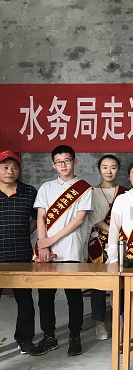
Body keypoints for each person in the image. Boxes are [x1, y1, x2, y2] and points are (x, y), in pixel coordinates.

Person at [33, 144, 93, 356]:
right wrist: (43, 243)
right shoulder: (46, 187)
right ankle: (49, 337)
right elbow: (41, 216)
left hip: (71, 249)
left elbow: (79, 220)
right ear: (53, 165)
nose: (63, 165)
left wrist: (51, 240)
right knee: (45, 297)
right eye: (59, 162)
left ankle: (75, 336)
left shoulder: (84, 188)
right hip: (46, 250)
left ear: (74, 161)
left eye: (67, 160)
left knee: (73, 296)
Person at [0, 150, 39, 355]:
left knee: (25, 301)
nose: (10, 171)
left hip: (21, 253)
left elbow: (37, 217)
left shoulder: (29, 191)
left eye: (14, 167)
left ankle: (24, 340)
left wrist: (25, 231)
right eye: (5, 167)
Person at [86, 154, 126, 341]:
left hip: (121, 243)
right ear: (99, 169)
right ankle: (99, 322)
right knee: (99, 284)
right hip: (99, 242)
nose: (109, 171)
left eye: (113, 167)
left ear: (118, 169)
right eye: (105, 167)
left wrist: (118, 235)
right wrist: (114, 232)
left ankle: (122, 319)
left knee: (122, 282)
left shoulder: (125, 192)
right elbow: (94, 219)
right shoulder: (91, 192)